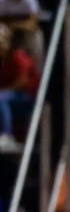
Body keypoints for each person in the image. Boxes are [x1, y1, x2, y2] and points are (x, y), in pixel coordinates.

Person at [0, 24, 39, 155]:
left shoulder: (18, 56)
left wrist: (4, 90)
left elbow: (23, 81)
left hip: (26, 97)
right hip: (7, 96)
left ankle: (7, 135)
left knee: (2, 98)